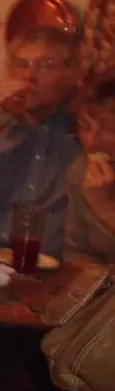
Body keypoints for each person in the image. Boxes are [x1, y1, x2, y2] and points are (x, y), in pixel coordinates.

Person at [0, 15, 83, 258]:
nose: (30, 76)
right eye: (21, 64)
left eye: (46, 64)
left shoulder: (86, 133)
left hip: (46, 274)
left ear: (71, 75)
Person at [63, 73, 115, 263]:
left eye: (110, 129)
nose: (92, 142)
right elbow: (76, 252)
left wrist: (106, 207)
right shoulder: (80, 170)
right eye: (85, 126)